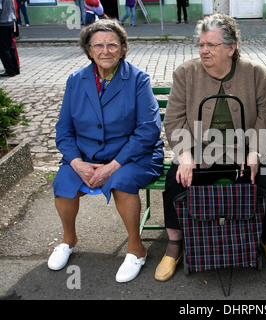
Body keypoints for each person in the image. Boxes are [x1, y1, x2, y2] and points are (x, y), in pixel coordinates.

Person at [156, 13, 266, 282]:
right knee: (176, 181)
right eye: (201, 45)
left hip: (245, 149)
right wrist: (185, 154)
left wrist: (255, 152)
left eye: (211, 45)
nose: (204, 51)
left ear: (231, 48)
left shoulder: (256, 74)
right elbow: (175, 118)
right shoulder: (185, 74)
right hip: (200, 151)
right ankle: (175, 244)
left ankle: (265, 234)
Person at [47, 19, 164, 283]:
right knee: (63, 181)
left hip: (135, 155)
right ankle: (68, 240)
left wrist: (113, 166)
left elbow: (148, 130)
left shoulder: (137, 79)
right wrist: (77, 163)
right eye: (98, 45)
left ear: (123, 48)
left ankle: (136, 248)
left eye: (113, 44)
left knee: (121, 182)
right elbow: (64, 130)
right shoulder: (76, 80)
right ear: (89, 50)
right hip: (86, 156)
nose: (105, 51)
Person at [0, 0, 20, 77]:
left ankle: (10, 70)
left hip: (3, 22)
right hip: (10, 21)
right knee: (10, 46)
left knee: (4, 48)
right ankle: (15, 68)